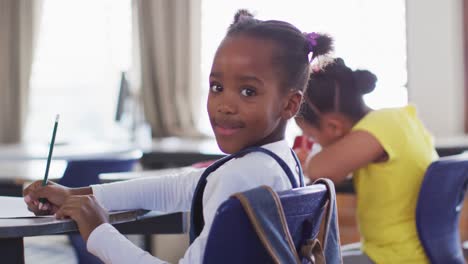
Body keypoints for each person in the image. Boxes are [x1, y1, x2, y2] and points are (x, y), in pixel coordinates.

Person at [23, 10, 333, 264]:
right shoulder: (279, 161)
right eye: (216, 87)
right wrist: (77, 195)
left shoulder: (242, 177)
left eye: (248, 91)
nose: (224, 105)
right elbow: (180, 188)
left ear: (290, 104)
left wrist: (98, 232)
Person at [294, 58, 438, 263]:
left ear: (334, 126)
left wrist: (307, 159)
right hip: (411, 249)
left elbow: (319, 170)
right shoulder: (399, 118)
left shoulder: (379, 127)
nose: (312, 141)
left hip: (397, 256)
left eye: (312, 136)